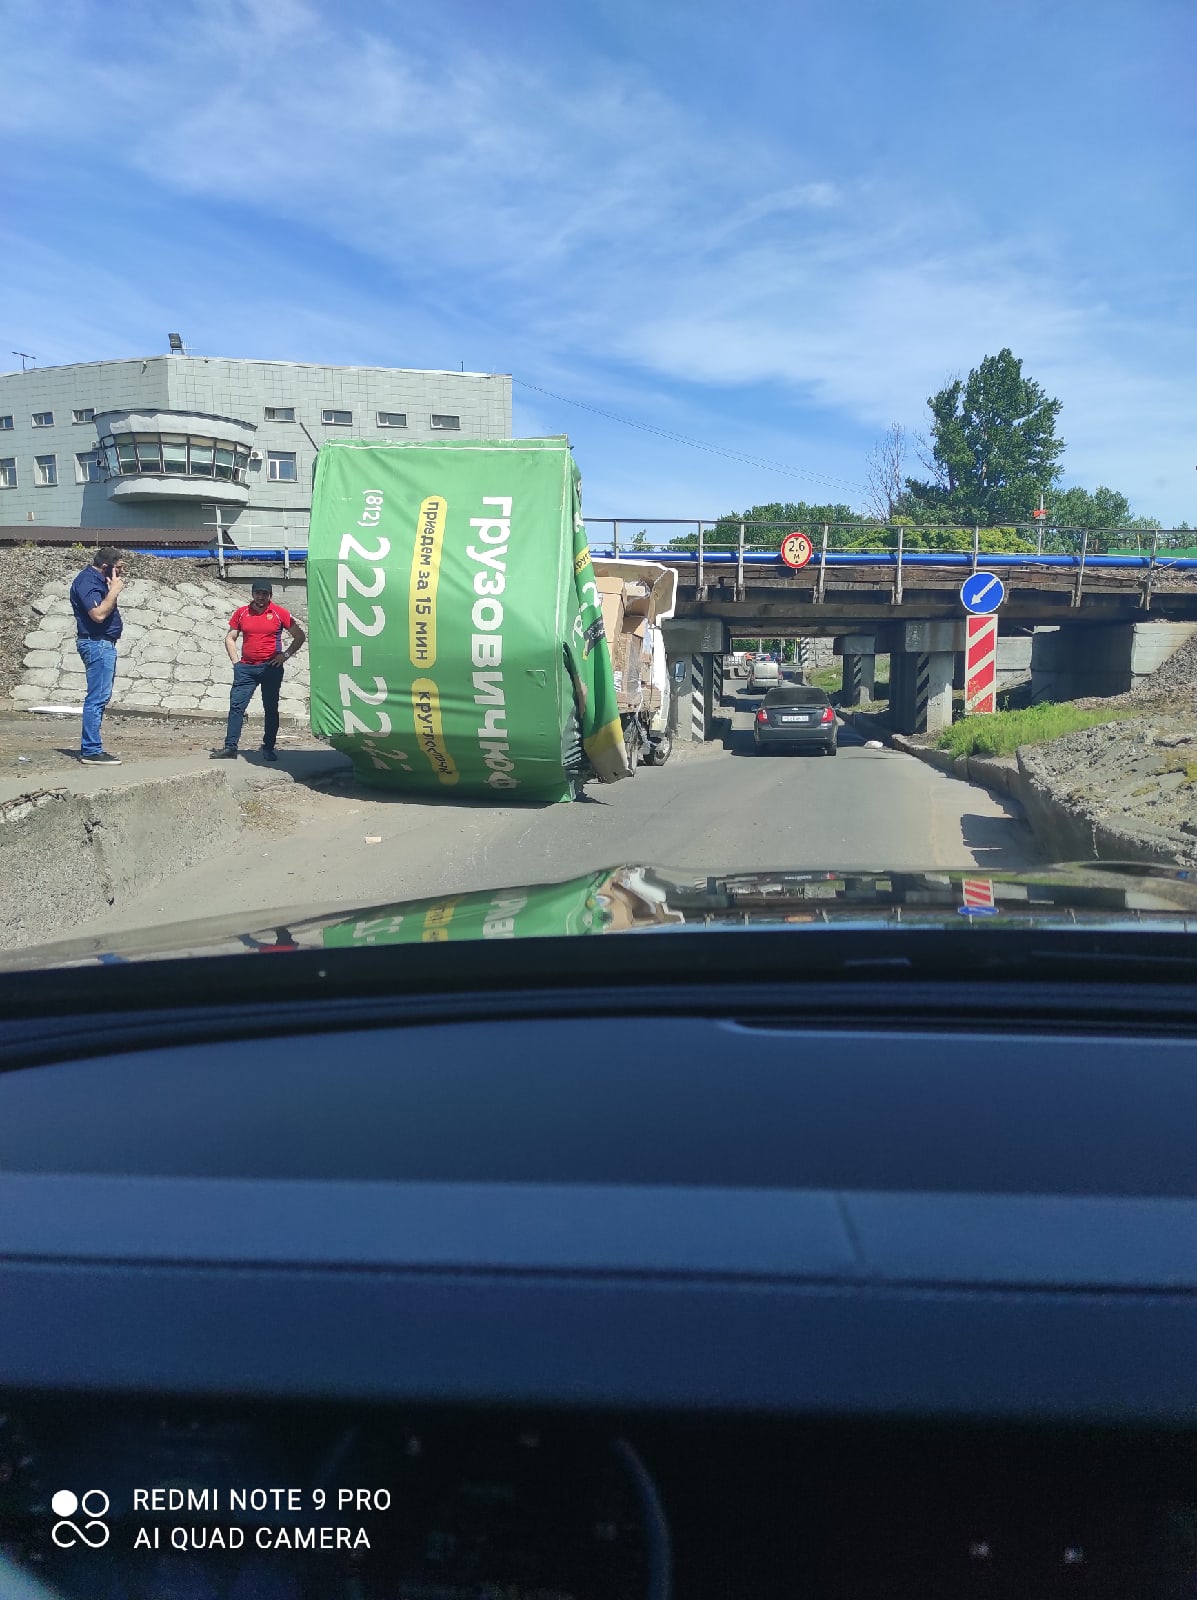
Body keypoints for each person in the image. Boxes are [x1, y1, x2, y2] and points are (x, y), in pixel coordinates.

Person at [210, 581, 306, 761]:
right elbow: (230, 638)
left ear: (270, 595)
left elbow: (299, 636)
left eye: (265, 594)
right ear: (252, 594)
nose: (261, 597)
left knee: (270, 708)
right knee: (236, 706)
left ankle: (268, 747)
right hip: (246, 668)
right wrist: (236, 662)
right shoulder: (242, 612)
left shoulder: (280, 613)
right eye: (257, 593)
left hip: (271, 667)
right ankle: (230, 747)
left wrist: (285, 655)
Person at [69, 545, 125, 766]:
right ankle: (91, 750)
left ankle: (92, 747)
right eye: (118, 568)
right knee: (97, 698)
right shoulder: (87, 582)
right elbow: (98, 614)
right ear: (106, 567)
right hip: (96, 643)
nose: (121, 573)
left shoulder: (97, 581)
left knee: (100, 697)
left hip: (103, 644)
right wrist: (114, 592)